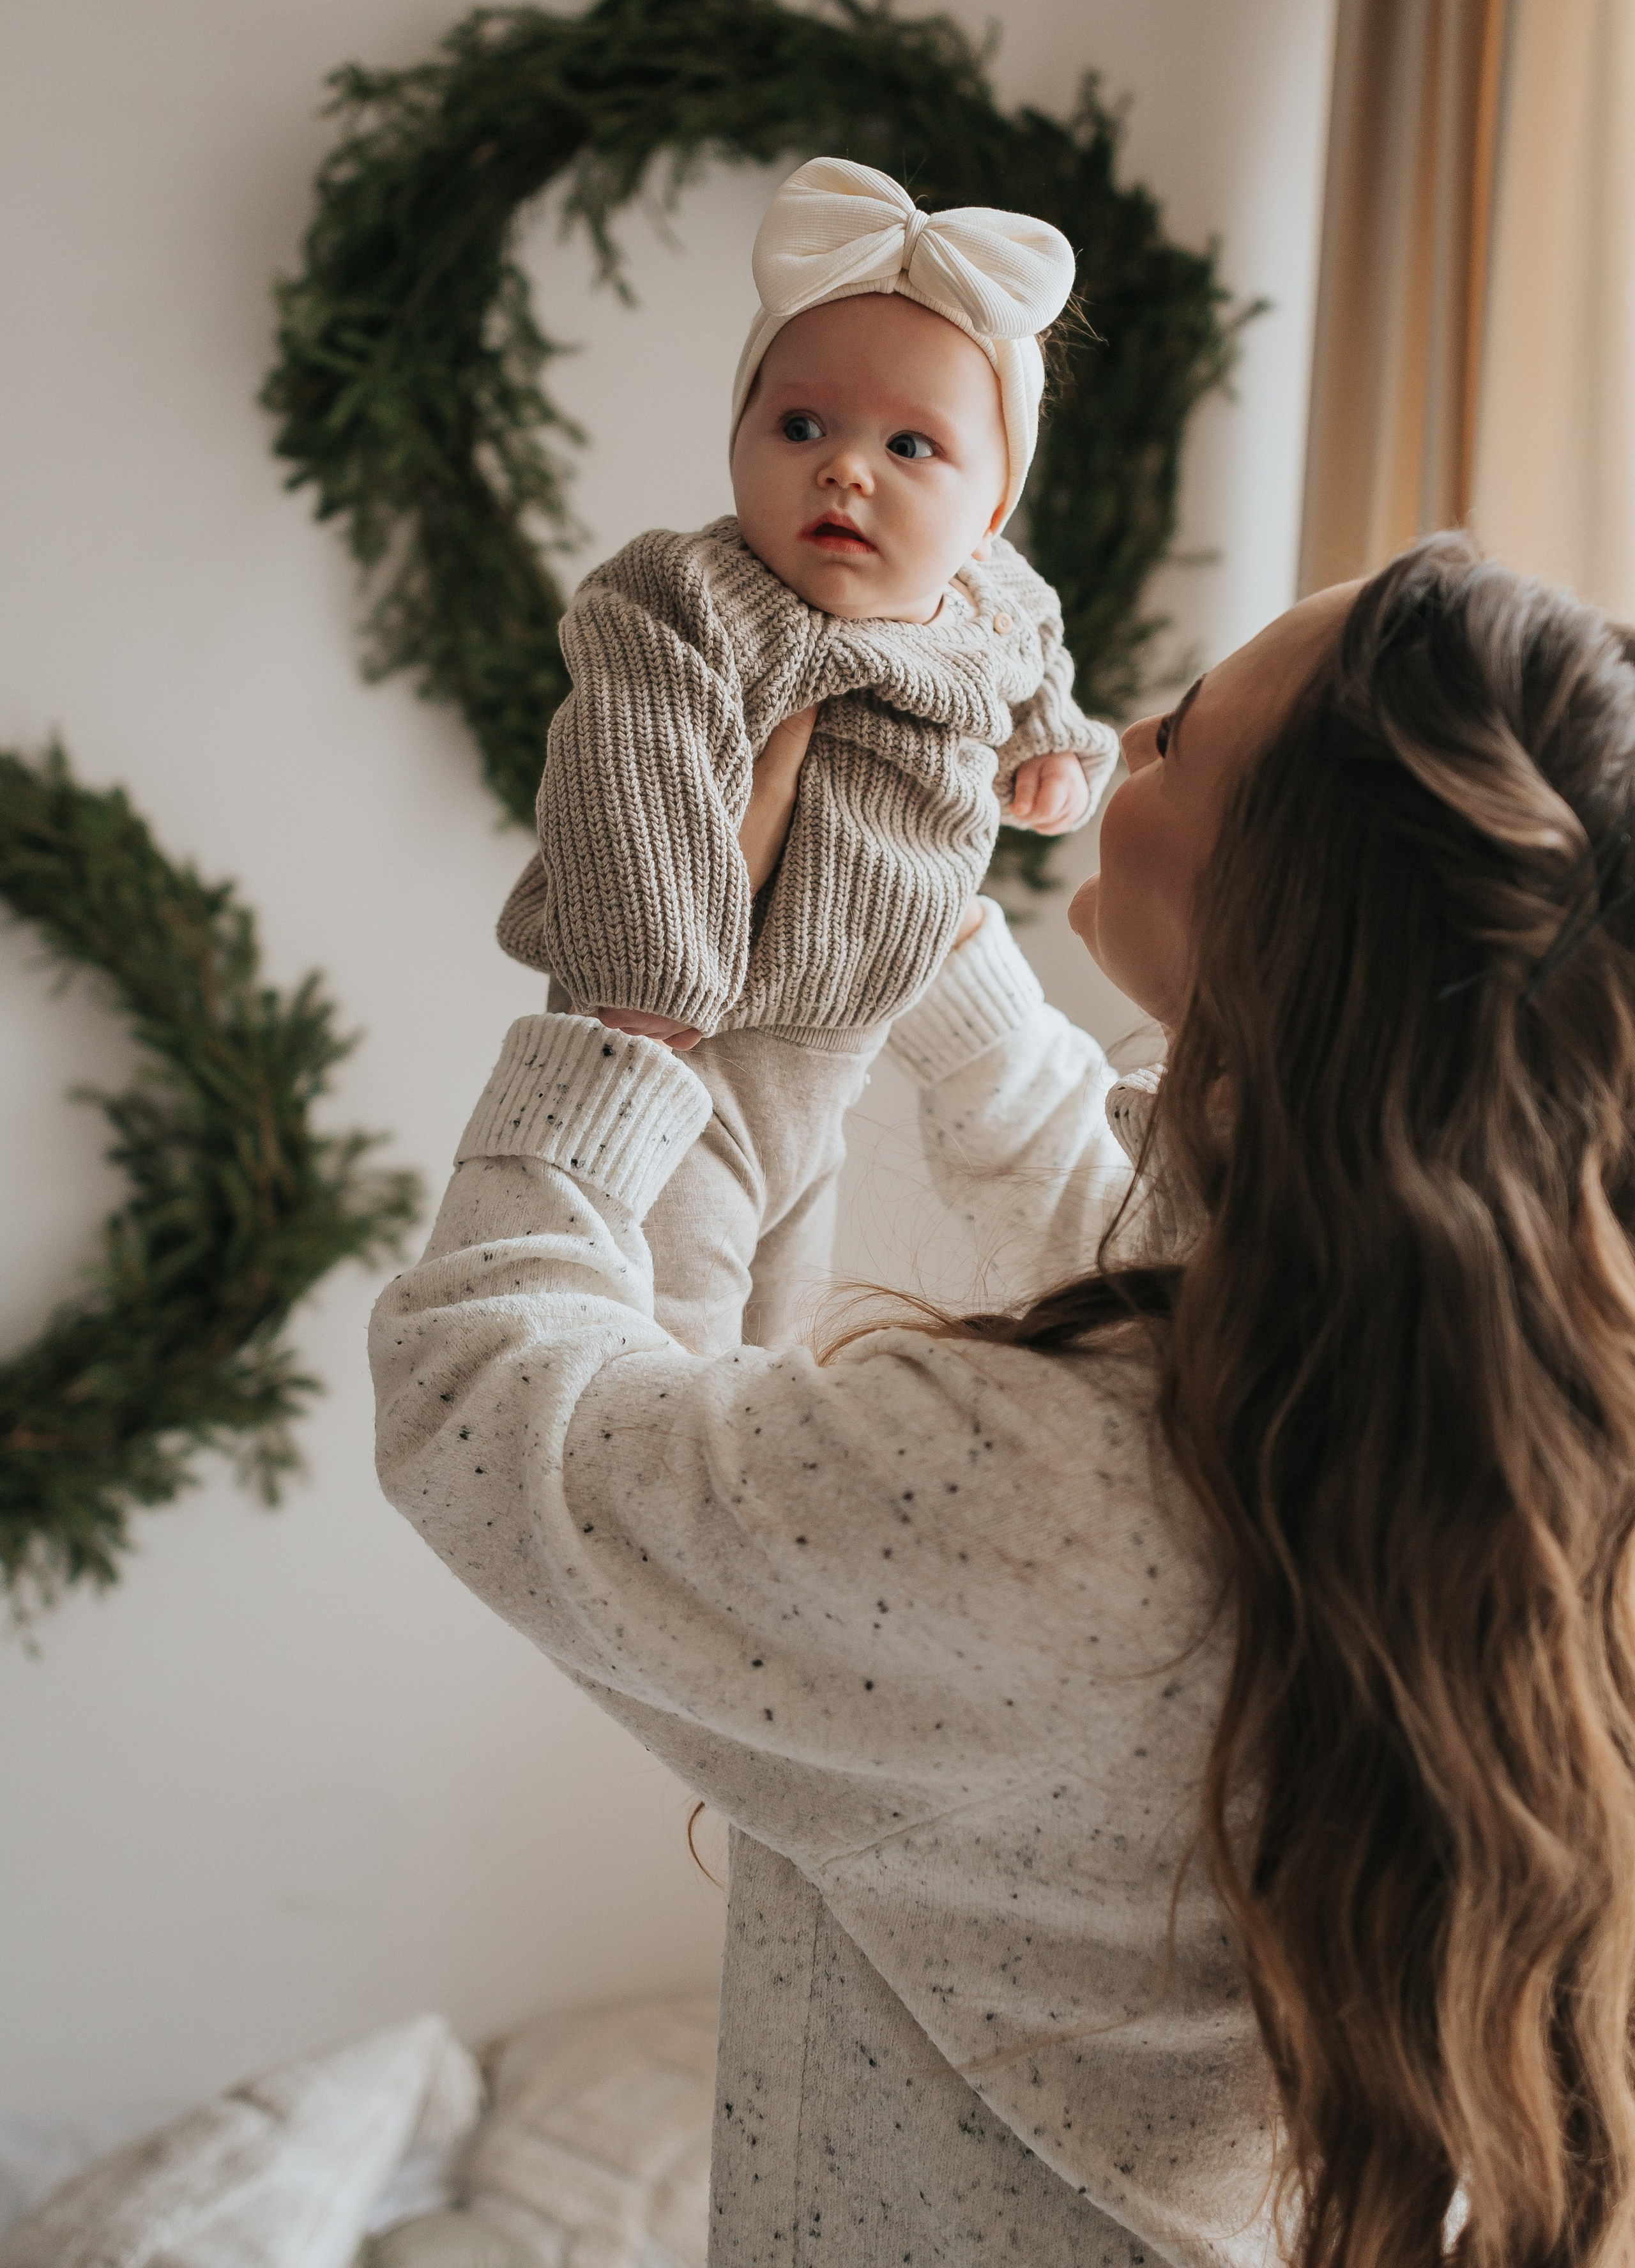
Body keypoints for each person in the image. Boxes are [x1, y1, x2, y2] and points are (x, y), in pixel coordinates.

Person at [372, 531, 1635, 2267]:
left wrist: (631, 1017)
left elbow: (488, 1402)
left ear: (1291, 910)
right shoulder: (1501, 1395)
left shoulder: (1074, 1491)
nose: (1119, 745)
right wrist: (917, 920)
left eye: (1181, 734)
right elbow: (1138, 1211)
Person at [496, 155, 1118, 1352]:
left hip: (838, 1051)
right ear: (737, 435)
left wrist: (1056, 747)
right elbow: (629, 777)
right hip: (693, 1035)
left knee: (786, 1330)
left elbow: (1041, 656)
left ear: (991, 511)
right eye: (800, 425)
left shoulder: (990, 598)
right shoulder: (687, 598)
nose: (846, 466)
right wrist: (649, 983)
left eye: (912, 446)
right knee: (675, 1337)